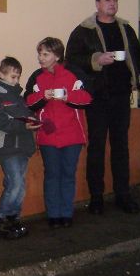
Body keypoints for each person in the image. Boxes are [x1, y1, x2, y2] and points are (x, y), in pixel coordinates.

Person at [66, 0, 140, 214]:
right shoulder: (84, 30)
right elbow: (71, 60)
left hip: (121, 95)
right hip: (97, 97)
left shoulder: (126, 29)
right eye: (107, 0)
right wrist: (96, 60)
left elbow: (137, 56)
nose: (112, 4)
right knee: (97, 147)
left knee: (121, 146)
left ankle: (123, 194)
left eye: (115, 0)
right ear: (97, 3)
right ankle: (96, 197)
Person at [25, 38, 92, 227]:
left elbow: (88, 98)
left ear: (57, 56)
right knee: (52, 175)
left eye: (45, 54)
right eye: (39, 54)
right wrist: (43, 96)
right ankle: (53, 215)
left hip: (72, 135)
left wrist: (68, 96)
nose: (40, 58)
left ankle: (67, 213)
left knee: (68, 175)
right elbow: (28, 101)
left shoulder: (74, 73)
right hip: (48, 135)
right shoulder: (37, 77)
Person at [0, 56, 37, 239]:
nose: (16, 80)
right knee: (15, 183)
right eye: (13, 76)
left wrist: (34, 121)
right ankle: (1, 220)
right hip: (7, 147)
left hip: (23, 145)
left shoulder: (19, 97)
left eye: (18, 77)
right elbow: (0, 123)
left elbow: (26, 115)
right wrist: (24, 125)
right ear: (2, 73)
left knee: (18, 185)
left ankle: (13, 219)